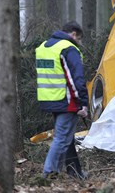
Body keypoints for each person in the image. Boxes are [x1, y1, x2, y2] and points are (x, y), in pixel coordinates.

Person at [35, 21, 89, 179]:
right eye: (79, 39)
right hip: (67, 100)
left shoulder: (44, 47)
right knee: (61, 138)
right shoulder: (68, 48)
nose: (79, 43)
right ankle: (49, 173)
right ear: (73, 34)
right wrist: (82, 103)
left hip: (49, 99)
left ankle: (74, 172)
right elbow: (76, 79)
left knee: (66, 138)